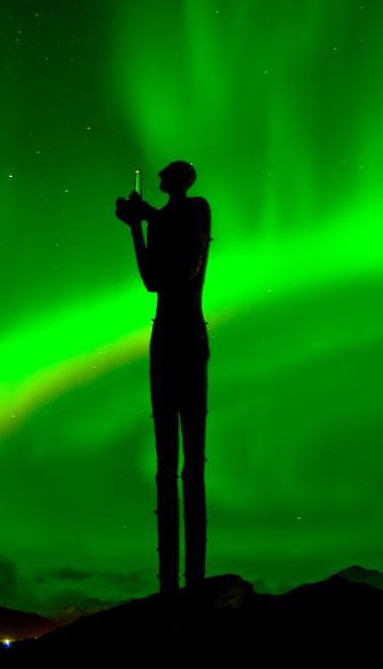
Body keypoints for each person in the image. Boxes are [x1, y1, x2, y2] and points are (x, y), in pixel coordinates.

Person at [115, 160, 211, 596]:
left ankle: (190, 586)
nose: (158, 182)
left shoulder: (196, 210)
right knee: (167, 462)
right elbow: (152, 280)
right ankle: (170, 589)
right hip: (168, 335)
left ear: (179, 182)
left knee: (190, 461)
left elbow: (181, 270)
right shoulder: (173, 218)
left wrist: (147, 220)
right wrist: (138, 228)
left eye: (164, 178)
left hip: (185, 334)